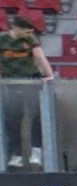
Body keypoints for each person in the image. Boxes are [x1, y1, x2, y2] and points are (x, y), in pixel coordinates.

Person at [1, 14, 54, 167]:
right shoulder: (3, 40)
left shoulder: (31, 40)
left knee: (36, 116)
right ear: (16, 29)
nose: (30, 34)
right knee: (13, 119)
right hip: (11, 83)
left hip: (31, 80)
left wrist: (49, 75)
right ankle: (16, 154)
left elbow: (40, 57)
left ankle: (36, 151)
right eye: (27, 31)